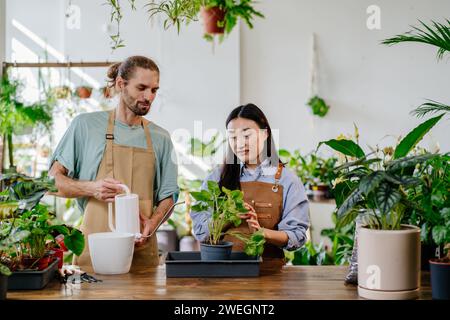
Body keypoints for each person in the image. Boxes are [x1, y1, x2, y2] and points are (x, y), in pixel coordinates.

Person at [49, 56, 179, 270]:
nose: (149, 97)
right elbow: (52, 181)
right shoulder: (85, 126)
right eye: (142, 88)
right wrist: (92, 188)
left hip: (141, 253)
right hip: (95, 253)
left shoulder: (160, 137)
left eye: (154, 90)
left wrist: (152, 224)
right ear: (121, 84)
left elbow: (169, 195)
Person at [190, 103, 309, 273]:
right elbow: (200, 231)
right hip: (220, 273)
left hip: (269, 276)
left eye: (247, 135)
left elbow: (296, 236)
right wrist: (227, 217)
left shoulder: (287, 180)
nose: (240, 144)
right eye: (233, 137)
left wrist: (262, 232)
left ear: (265, 133)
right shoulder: (217, 177)